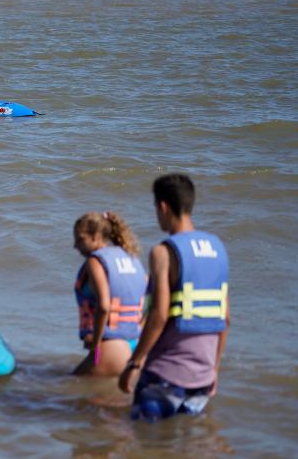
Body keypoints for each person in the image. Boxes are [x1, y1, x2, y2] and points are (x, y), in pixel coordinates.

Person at [118, 174, 230, 421]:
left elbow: (158, 315)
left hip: (165, 373)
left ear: (163, 207)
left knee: (143, 442)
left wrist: (134, 364)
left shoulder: (163, 252)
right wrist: (214, 369)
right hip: (203, 376)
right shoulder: (218, 248)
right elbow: (226, 317)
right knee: (186, 444)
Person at [72, 211, 147, 376]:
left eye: (80, 239)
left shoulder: (95, 262)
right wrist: (140, 324)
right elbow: (154, 293)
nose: (75, 245)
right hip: (136, 345)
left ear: (96, 236)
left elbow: (104, 306)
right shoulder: (131, 257)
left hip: (111, 347)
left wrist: (96, 344)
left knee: (64, 393)